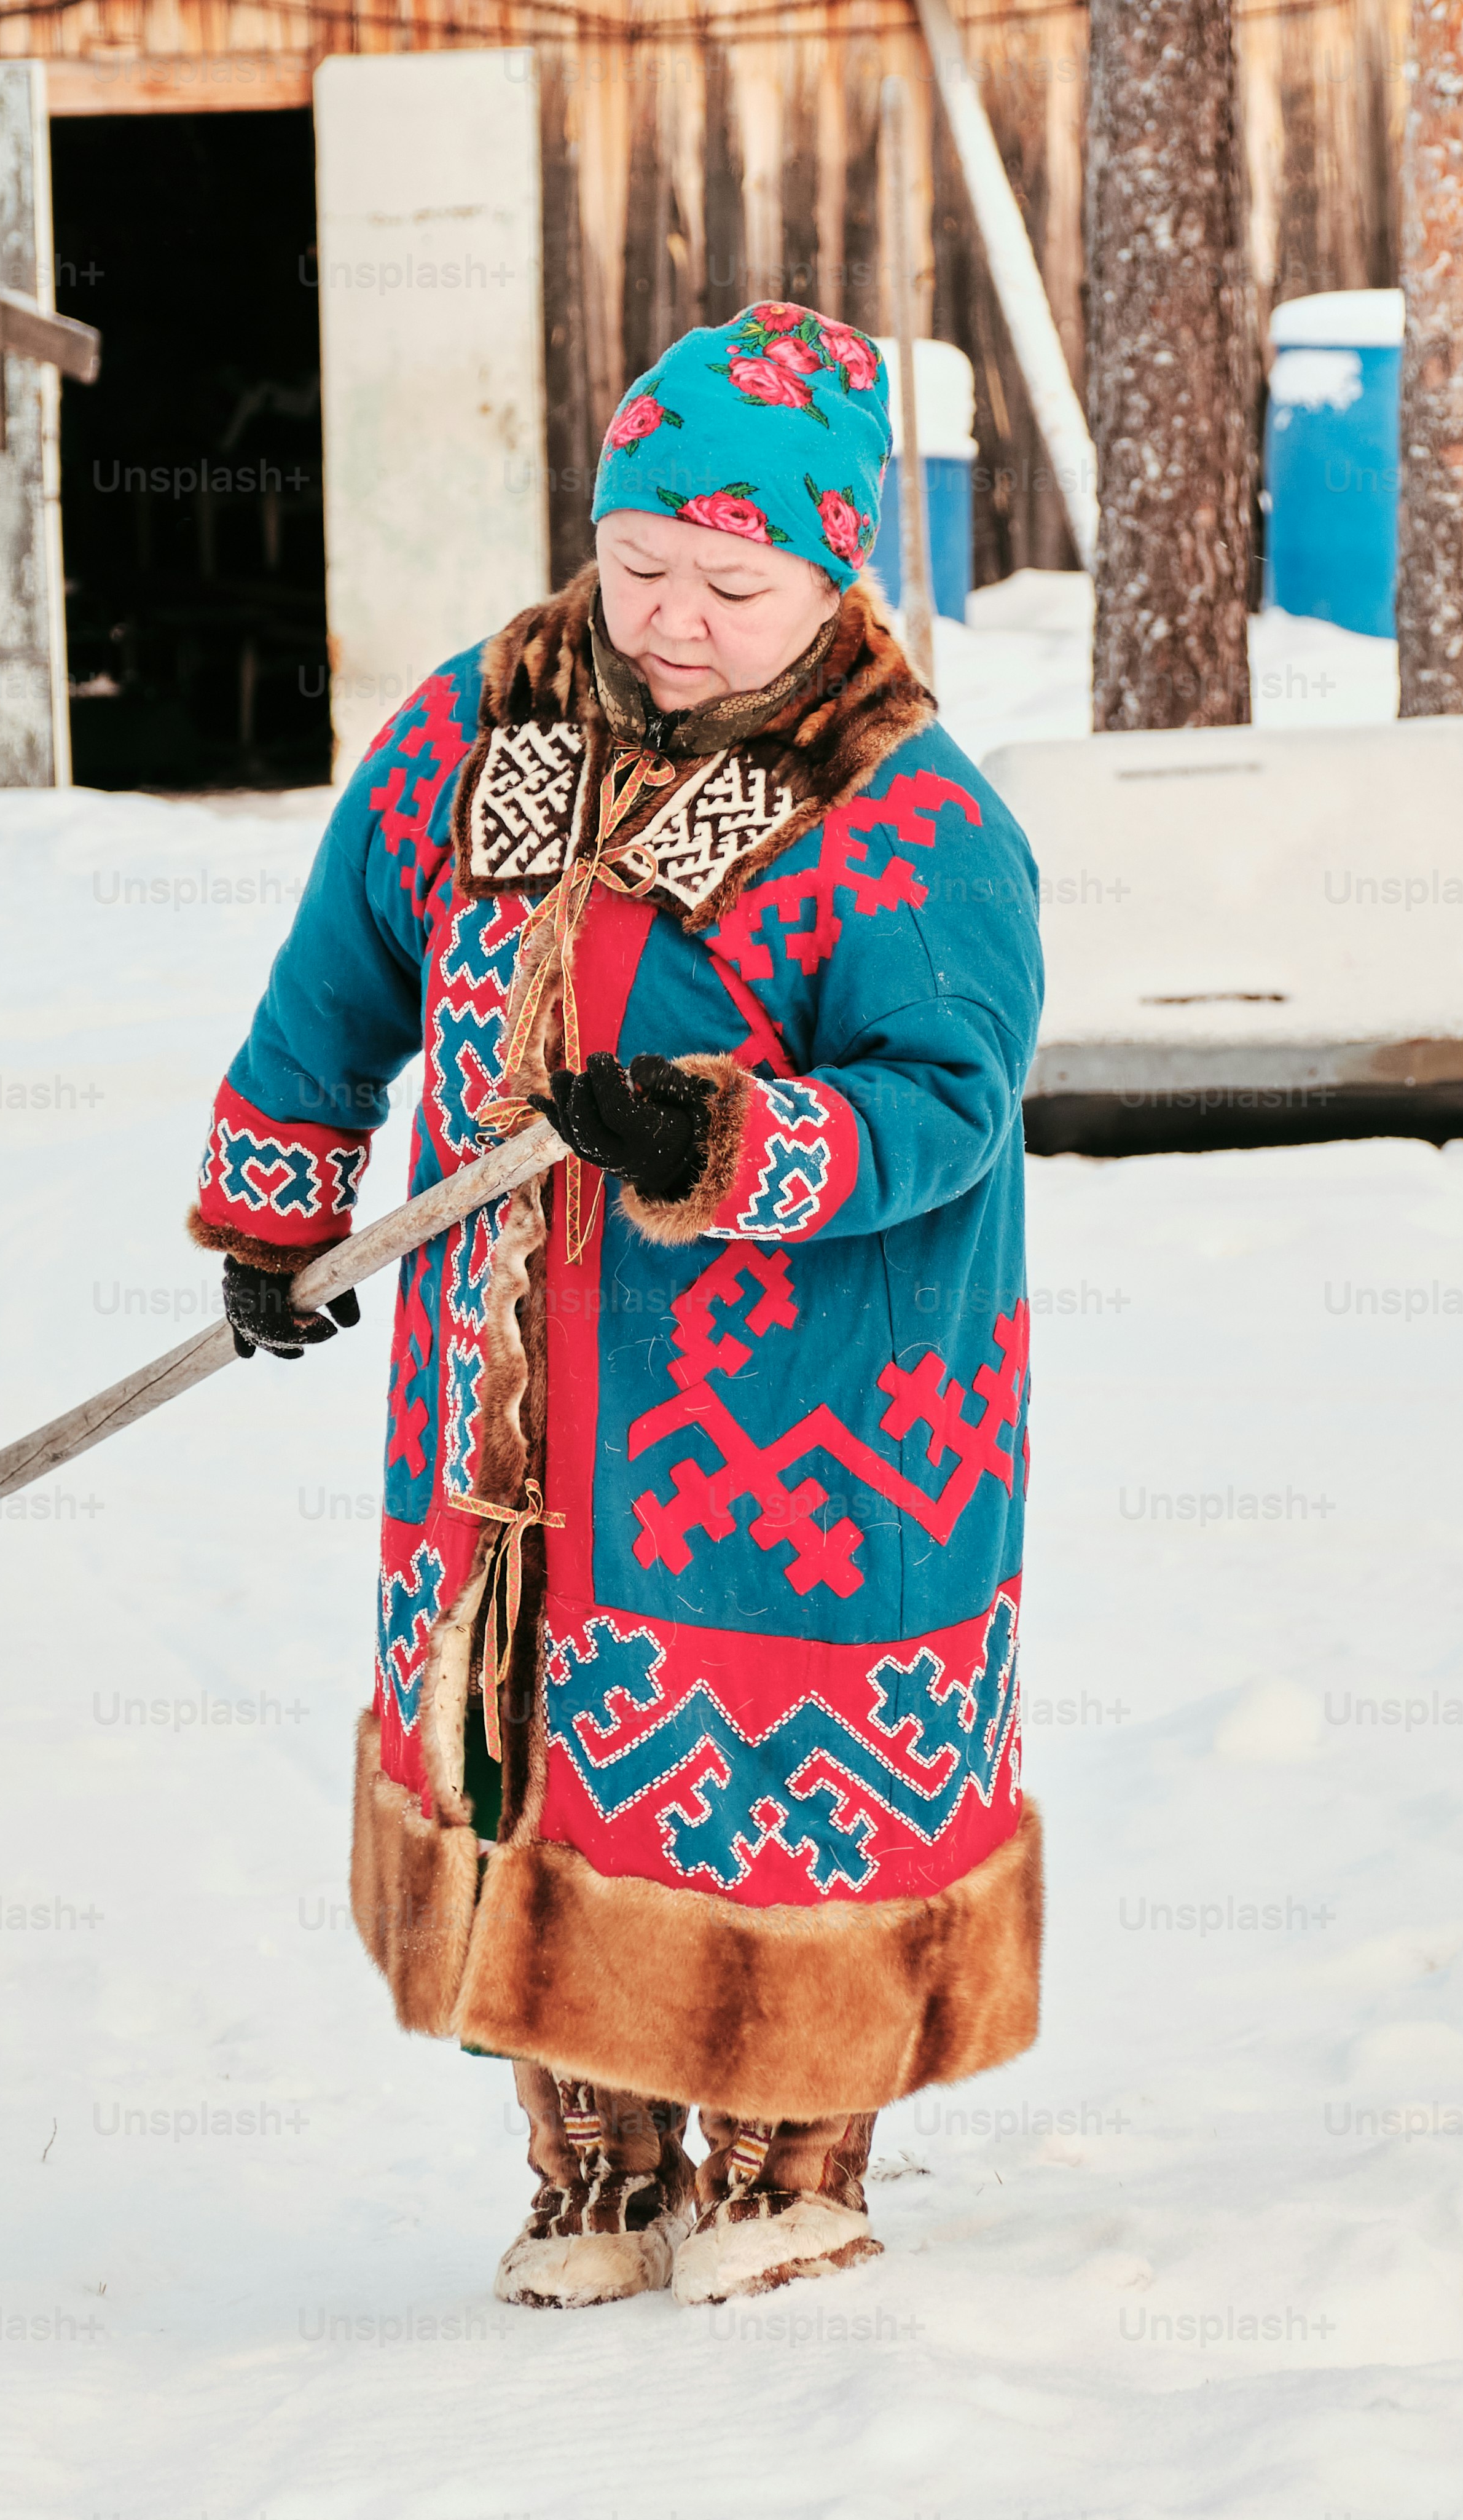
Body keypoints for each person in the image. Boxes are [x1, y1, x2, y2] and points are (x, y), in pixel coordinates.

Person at [186, 306, 1045, 2310]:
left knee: (770, 1777)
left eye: (734, 584)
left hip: (802, 1416)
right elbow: (343, 976)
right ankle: (593, 2158)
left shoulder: (902, 815)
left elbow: (948, 1101)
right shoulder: (476, 731)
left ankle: (782, 2152)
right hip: (496, 1399)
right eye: (640, 561)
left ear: (836, 571)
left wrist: (726, 1143)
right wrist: (277, 1200)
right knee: (535, 1747)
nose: (672, 616)